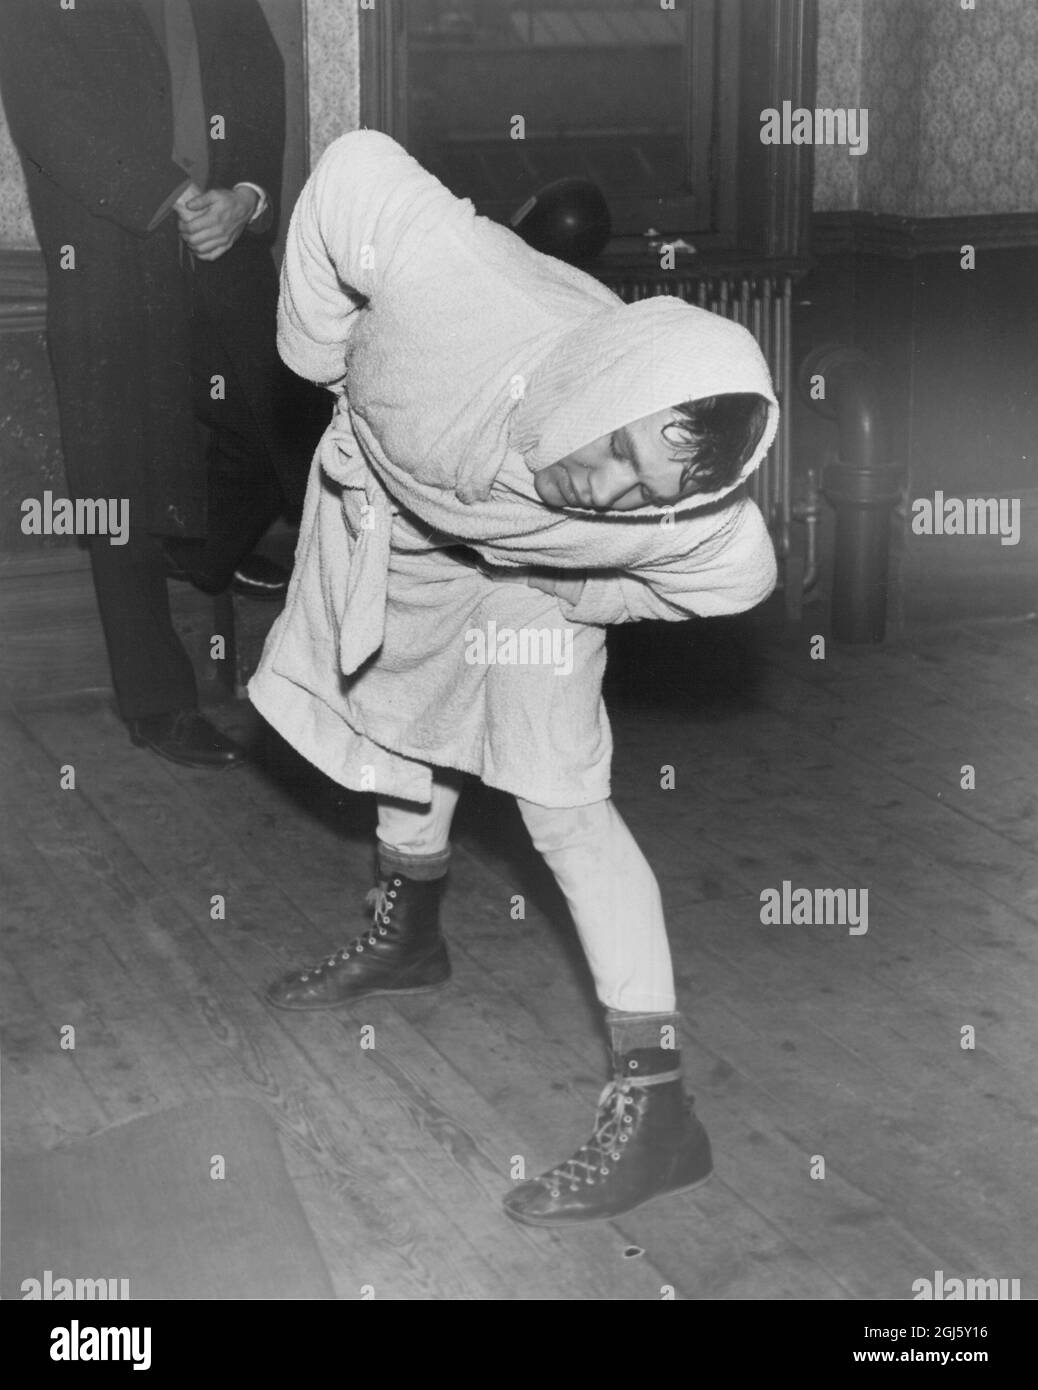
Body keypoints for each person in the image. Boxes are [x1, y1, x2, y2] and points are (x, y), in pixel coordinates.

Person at [249, 131, 780, 1226]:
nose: (611, 491)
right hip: (404, 497)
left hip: (529, 580)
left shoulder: (680, 520)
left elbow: (740, 575)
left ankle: (659, 1111)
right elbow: (351, 167)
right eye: (619, 452)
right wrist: (316, 351)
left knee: (562, 806)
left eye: (645, 492)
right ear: (606, 379)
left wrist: (584, 591)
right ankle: (409, 932)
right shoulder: (451, 283)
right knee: (395, 706)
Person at [0, 0, 324, 768]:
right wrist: (170, 197)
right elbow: (52, 114)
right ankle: (157, 705)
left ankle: (202, 548)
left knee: (285, 433)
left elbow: (259, 79)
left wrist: (246, 198)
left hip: (225, 251)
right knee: (119, 492)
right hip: (112, 265)